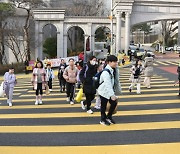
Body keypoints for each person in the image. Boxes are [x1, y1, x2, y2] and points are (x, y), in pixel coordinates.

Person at [98, 55, 121, 126]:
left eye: (116, 62)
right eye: (114, 62)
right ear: (109, 62)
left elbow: (116, 81)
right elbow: (107, 84)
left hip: (109, 90)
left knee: (113, 103)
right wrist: (112, 95)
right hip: (103, 91)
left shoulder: (113, 70)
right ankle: (102, 119)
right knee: (103, 106)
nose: (116, 63)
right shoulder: (106, 72)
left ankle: (109, 116)